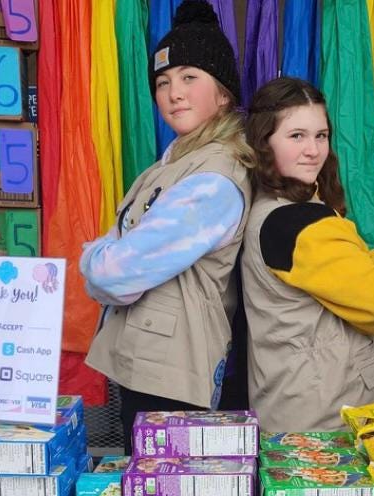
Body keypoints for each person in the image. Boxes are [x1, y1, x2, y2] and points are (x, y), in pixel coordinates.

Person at [82, 0, 254, 452]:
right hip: (153, 361)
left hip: (174, 374)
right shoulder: (179, 160)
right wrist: (112, 256)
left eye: (189, 78)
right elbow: (123, 255)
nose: (174, 92)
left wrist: (93, 259)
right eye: (163, 81)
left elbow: (113, 272)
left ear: (223, 92)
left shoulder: (212, 178)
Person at [241, 77, 374, 431]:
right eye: (296, 136)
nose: (313, 150)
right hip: (328, 421)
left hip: (297, 406)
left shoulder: (273, 207)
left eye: (321, 135)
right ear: (264, 142)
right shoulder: (296, 223)